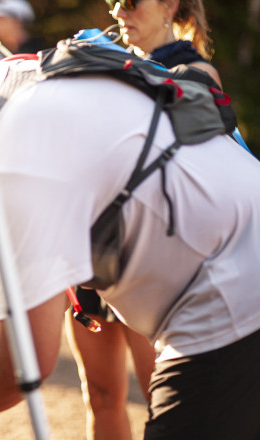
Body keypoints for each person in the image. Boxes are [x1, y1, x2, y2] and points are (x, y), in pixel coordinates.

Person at [0, 52, 260, 439]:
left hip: (229, 304)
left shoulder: (16, 149)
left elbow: (24, 361)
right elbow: (28, 300)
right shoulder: (13, 83)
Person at [64, 2, 225, 438]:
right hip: (94, 247)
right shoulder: (108, 61)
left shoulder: (197, 73)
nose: (118, 11)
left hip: (154, 256)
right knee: (99, 396)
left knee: (163, 401)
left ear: (169, 4)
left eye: (132, 1)